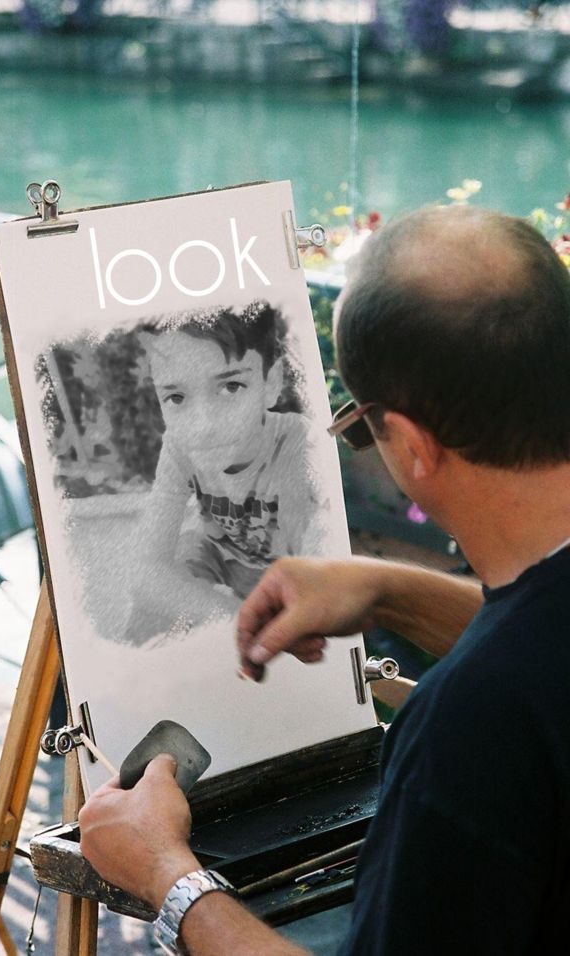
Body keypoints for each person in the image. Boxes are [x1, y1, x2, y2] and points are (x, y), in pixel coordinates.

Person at [78, 203, 570, 954]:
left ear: (410, 445)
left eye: (359, 427)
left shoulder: (464, 732)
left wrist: (167, 876)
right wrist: (389, 589)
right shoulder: (513, 685)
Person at [125, 301, 322, 643]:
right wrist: (230, 615)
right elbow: (145, 570)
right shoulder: (179, 445)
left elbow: (309, 573)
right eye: (176, 397)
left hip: (282, 574)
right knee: (180, 560)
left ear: (271, 383)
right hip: (219, 566)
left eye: (230, 387)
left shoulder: (298, 444)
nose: (203, 427)